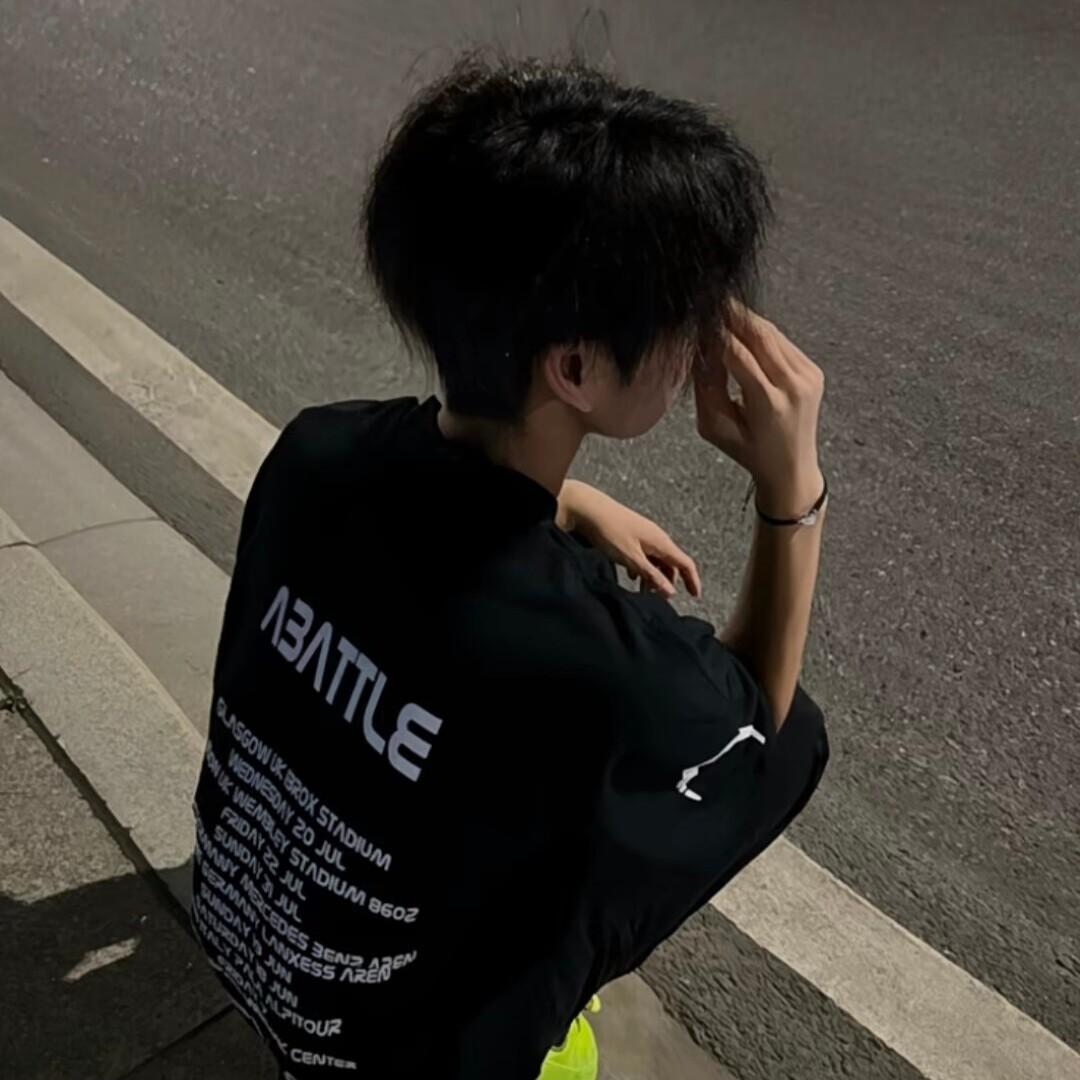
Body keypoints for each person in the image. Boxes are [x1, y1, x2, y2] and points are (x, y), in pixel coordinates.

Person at [189, 52, 830, 1080]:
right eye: (682, 315)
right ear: (575, 367)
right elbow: (754, 723)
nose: (696, 343)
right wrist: (791, 493)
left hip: (244, 942)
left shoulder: (314, 448)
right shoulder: (595, 663)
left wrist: (568, 501)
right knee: (793, 741)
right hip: (393, 1057)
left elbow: (433, 487)